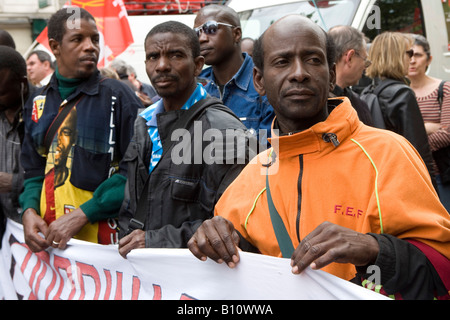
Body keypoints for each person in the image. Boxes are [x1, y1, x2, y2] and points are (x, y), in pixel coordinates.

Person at [188, 15, 450, 300]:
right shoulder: (249, 179)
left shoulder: (389, 154)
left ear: (332, 74)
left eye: (313, 59)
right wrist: (214, 240)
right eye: (282, 61)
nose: (299, 73)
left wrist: (374, 249)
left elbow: (442, 265)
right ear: (259, 80)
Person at [117, 21, 256, 258]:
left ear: (197, 65)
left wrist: (155, 241)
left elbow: (235, 227)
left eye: (175, 55)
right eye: (153, 57)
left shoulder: (225, 132)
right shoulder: (143, 122)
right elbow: (131, 205)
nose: (161, 66)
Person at [19, 7, 141, 252]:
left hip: (104, 253)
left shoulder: (120, 96)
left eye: (95, 39)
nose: (91, 47)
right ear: (55, 47)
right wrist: (29, 211)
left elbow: (139, 172)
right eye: (78, 39)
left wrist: (85, 213)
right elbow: (33, 169)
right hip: (52, 249)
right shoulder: (37, 102)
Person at [361, 32, 436, 184]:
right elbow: (418, 149)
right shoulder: (402, 93)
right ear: (397, 56)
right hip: (404, 177)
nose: (412, 58)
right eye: (409, 53)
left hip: (379, 176)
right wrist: (430, 185)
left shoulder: (366, 91)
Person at [194, 4, 274, 144]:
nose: (202, 38)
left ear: (236, 34)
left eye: (210, 29)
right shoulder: (197, 89)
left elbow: (267, 155)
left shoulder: (266, 85)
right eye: (197, 32)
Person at [408, 34, 450, 211]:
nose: (412, 60)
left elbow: (447, 133)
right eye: (408, 55)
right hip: (412, 176)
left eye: (417, 55)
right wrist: (428, 128)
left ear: (429, 59)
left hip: (441, 174)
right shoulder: (398, 94)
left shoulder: (444, 88)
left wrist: (412, 144)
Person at [0, 46, 32, 244]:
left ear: (22, 85)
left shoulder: (45, 115)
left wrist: (14, 183)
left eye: (1, 93)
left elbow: (58, 177)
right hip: (5, 233)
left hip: (35, 231)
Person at [327, 26, 373, 126]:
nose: (365, 68)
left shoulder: (311, 102)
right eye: (365, 60)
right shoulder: (358, 106)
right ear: (350, 57)